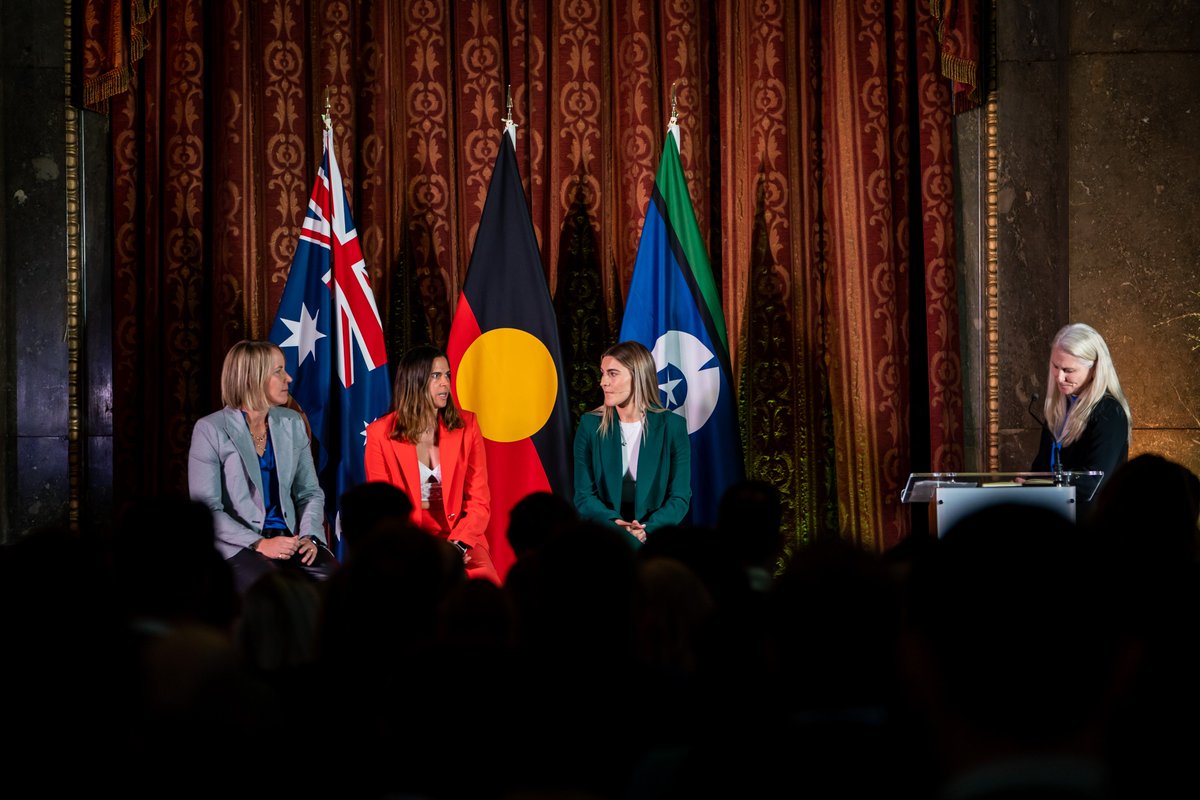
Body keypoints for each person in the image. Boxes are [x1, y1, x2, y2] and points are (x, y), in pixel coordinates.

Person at [188, 340, 336, 594]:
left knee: (338, 584)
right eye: (278, 371)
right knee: (278, 591)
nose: (288, 378)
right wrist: (259, 543)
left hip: (291, 539)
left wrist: (310, 537)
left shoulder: (292, 422)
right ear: (252, 378)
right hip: (238, 546)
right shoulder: (210, 429)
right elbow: (208, 510)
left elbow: (310, 492)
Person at [363, 345, 498, 583]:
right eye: (436, 376)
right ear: (414, 380)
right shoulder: (379, 434)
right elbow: (381, 508)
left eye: (447, 375)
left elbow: (479, 501)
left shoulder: (467, 425)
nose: (445, 383)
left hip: (460, 538)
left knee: (485, 586)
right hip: (407, 540)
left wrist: (457, 546)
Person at [573, 340, 691, 545]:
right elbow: (584, 496)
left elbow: (679, 497)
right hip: (605, 536)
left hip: (656, 538)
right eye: (603, 373)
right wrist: (616, 525)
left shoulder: (672, 426)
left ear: (638, 377)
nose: (602, 382)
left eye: (612, 373)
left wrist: (646, 531)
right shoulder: (590, 425)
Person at [1031, 323, 1132, 511]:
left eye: (1068, 370)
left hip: (1093, 527)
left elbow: (1092, 483)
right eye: (1055, 366)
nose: (1059, 377)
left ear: (1094, 369)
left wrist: (1040, 486)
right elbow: (1039, 469)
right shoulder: (1058, 409)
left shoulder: (1109, 412)